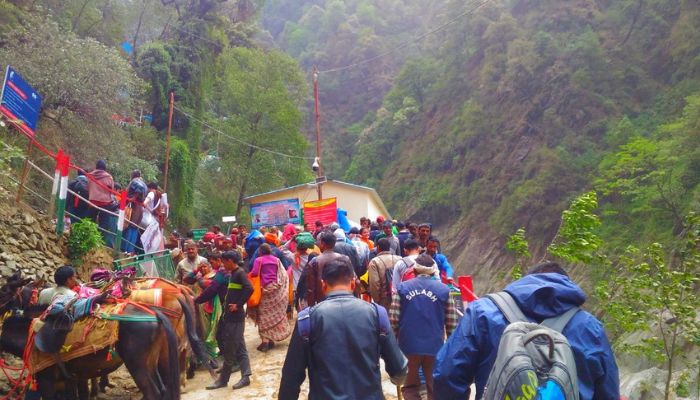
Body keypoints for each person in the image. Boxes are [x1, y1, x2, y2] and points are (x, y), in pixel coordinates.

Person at [432, 262, 620, 399]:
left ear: (526, 281)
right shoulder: (591, 328)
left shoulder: (482, 312)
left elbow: (447, 376)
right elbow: (608, 393)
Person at [278, 258, 408, 399]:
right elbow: (399, 370)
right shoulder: (377, 314)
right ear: (353, 283)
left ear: (323, 285)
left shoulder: (307, 319)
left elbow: (291, 377)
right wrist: (397, 379)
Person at [390, 254, 458, 400]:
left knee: (409, 386)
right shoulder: (444, 290)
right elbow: (452, 324)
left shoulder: (402, 289)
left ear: (414, 271)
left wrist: (393, 346)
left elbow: (393, 320)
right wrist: (451, 349)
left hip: (408, 346)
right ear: (434, 272)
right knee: (433, 385)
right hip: (435, 347)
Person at [196, 251, 253, 390]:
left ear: (229, 261)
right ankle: (245, 377)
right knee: (240, 348)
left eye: (224, 261)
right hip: (230, 317)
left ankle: (223, 380)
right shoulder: (233, 274)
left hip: (236, 318)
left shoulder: (239, 273)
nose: (222, 264)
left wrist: (238, 305)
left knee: (230, 349)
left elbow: (249, 288)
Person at [248, 244, 292, 352]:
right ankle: (271, 339)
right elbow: (283, 273)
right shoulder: (276, 260)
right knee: (273, 314)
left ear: (260, 251)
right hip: (275, 289)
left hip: (264, 290)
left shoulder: (259, 260)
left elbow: (254, 273)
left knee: (263, 315)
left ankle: (265, 342)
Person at [302, 232, 353, 308]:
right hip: (345, 299)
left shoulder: (314, 262)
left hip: (323, 303)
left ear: (322, 243)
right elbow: (355, 280)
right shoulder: (345, 259)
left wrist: (312, 308)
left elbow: (311, 289)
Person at [87, 160, 117, 246]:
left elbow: (87, 187)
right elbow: (111, 191)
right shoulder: (109, 177)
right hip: (105, 203)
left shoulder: (90, 175)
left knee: (90, 221)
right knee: (103, 224)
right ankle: (100, 242)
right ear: (105, 168)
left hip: (92, 201)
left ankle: (89, 237)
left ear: (96, 166)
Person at [367, 238, 402, 310]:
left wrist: (377, 300)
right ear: (389, 247)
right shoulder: (399, 259)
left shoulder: (374, 262)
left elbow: (374, 283)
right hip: (399, 297)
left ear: (378, 247)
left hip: (384, 299)